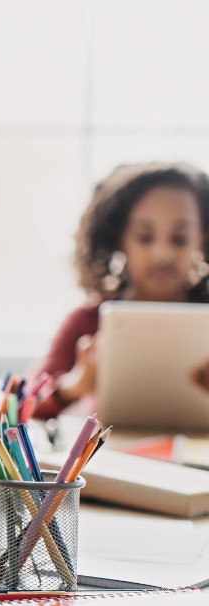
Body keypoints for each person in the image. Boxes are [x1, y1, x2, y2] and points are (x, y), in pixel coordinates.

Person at [31, 162, 209, 418]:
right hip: (111, 456)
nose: (162, 254)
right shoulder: (88, 322)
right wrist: (76, 385)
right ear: (119, 238)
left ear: (202, 238)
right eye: (145, 237)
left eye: (179, 238)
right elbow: (24, 406)